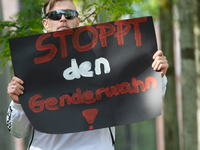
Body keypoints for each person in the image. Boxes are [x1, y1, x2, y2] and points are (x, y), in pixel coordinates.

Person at [6, 0, 169, 149]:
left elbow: (140, 96)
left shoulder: (103, 56)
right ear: (46, 23)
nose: (63, 19)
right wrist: (18, 103)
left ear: (77, 20)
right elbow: (17, 132)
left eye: (69, 14)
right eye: (55, 15)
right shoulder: (32, 65)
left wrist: (156, 73)